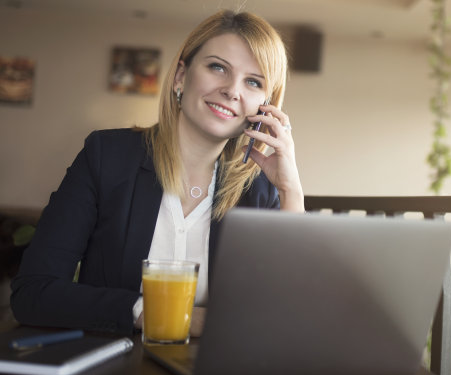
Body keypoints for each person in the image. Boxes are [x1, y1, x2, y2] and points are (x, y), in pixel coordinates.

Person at [10, 10, 304, 336]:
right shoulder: (107, 156)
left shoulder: (258, 190)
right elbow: (33, 292)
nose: (232, 90)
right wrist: (171, 317)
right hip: (111, 372)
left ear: (266, 105)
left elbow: (288, 315)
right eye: (217, 67)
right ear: (181, 76)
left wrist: (291, 190)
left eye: (253, 82)